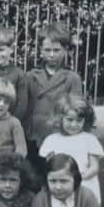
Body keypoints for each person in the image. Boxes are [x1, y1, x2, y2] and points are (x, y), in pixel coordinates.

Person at [25, 23, 82, 179]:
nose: (51, 55)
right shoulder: (31, 76)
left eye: (56, 50)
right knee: (35, 177)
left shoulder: (72, 78)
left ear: (66, 51)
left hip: (59, 135)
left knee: (58, 175)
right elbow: (25, 106)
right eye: (47, 50)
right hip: (34, 136)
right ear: (41, 51)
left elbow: (77, 110)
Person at [39, 94, 104, 203]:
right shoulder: (52, 140)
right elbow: (48, 166)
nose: (74, 124)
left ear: (85, 120)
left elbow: (94, 167)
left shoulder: (89, 139)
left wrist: (78, 179)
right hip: (59, 185)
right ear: (60, 119)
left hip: (84, 183)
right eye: (70, 120)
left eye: (79, 120)